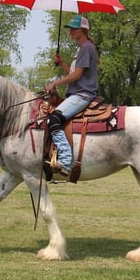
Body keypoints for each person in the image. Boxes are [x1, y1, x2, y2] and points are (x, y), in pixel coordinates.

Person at [43, 14, 99, 176]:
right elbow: (73, 72)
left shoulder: (86, 47)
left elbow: (76, 76)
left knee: (53, 119)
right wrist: (62, 64)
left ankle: (65, 160)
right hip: (77, 93)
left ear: (83, 30)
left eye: (74, 29)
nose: (71, 32)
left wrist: (54, 83)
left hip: (82, 95)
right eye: (70, 29)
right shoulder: (81, 48)